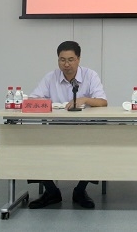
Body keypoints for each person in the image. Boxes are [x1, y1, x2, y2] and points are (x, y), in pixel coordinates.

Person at [27, 40, 108, 210]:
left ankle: (80, 191)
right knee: (34, 146)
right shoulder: (51, 77)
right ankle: (51, 192)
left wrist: (85, 100)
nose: (66, 64)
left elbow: (102, 102)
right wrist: (49, 104)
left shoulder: (90, 75)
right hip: (56, 128)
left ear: (78, 59)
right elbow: (34, 100)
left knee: (95, 148)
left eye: (71, 59)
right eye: (62, 60)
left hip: (84, 129)